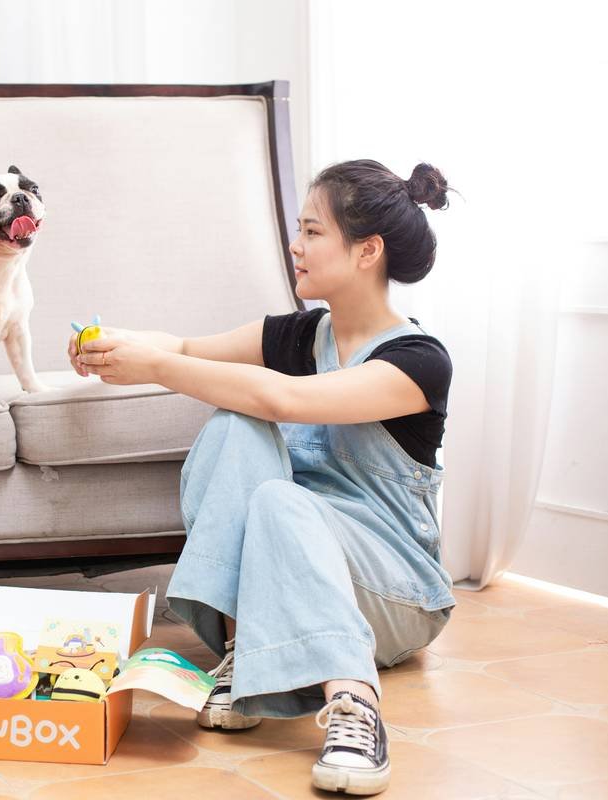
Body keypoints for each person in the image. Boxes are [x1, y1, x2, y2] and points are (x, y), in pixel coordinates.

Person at [69, 160, 456, 796]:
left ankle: (355, 704)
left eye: (311, 231)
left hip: (392, 595)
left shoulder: (417, 360)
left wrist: (155, 368)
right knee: (232, 426)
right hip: (285, 576)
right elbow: (190, 350)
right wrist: (115, 344)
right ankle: (244, 650)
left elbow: (283, 400)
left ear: (368, 251)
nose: (294, 245)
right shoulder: (302, 334)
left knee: (281, 492)